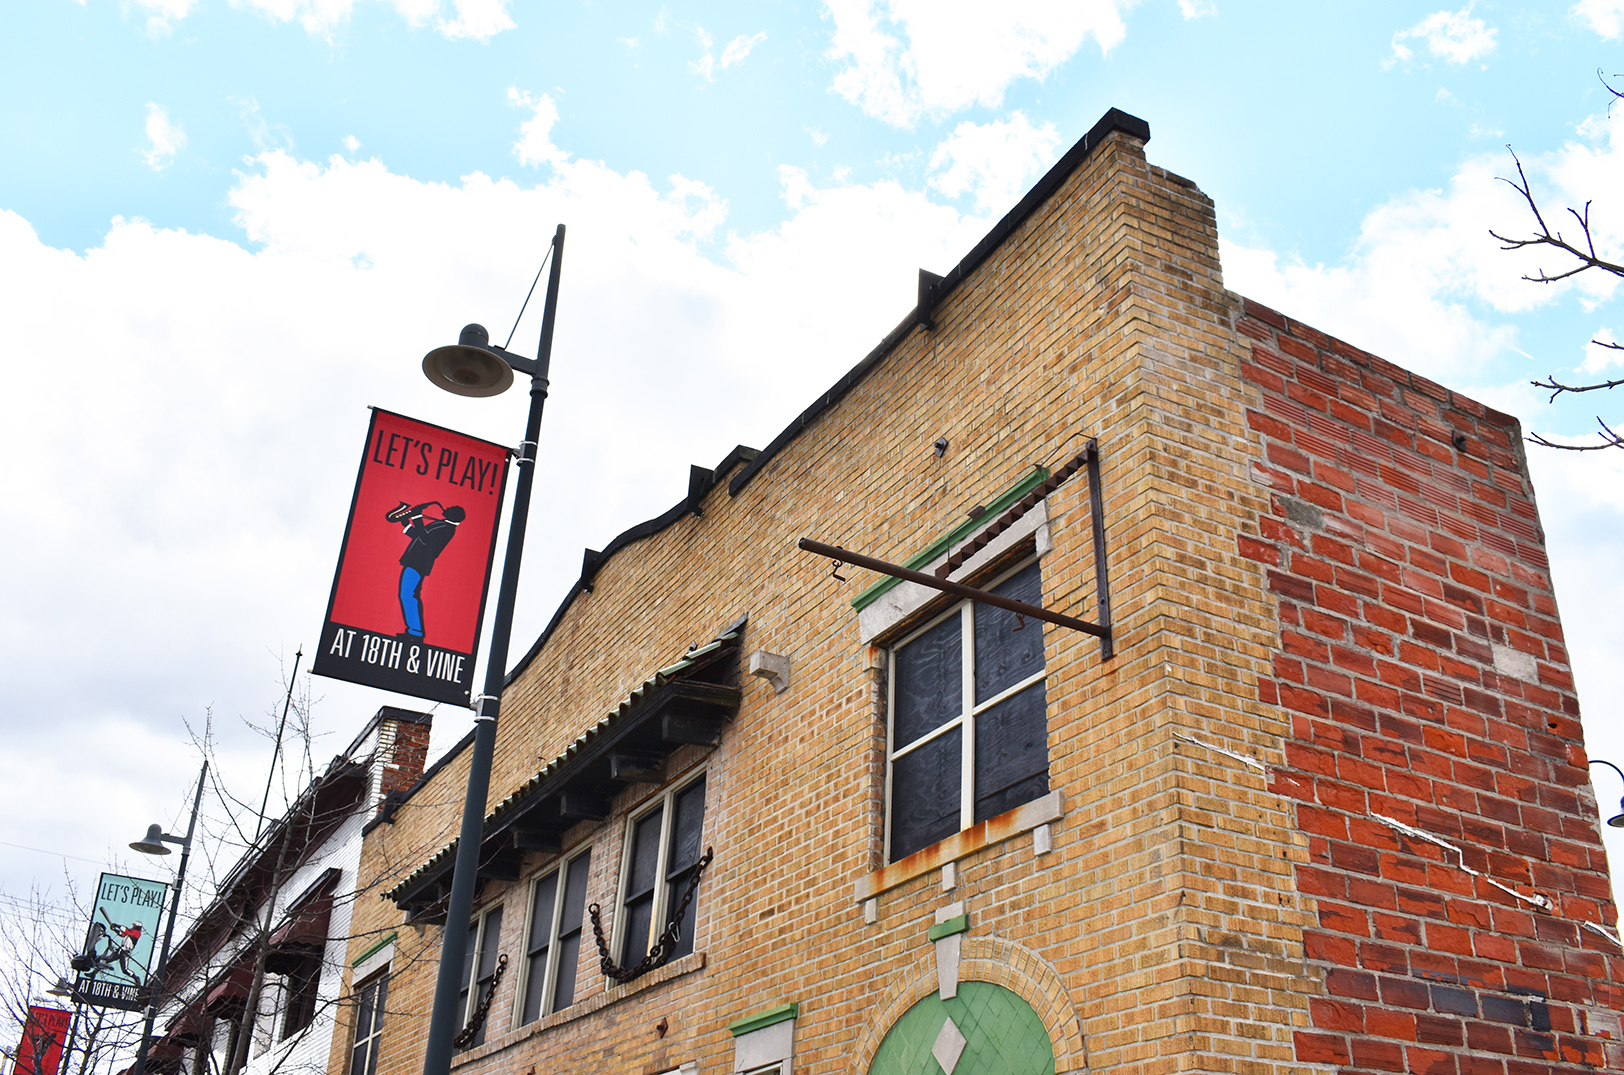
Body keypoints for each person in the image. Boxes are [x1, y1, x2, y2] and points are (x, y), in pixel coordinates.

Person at [387, 502, 465, 640]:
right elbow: (419, 536)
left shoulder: (445, 528)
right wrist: (406, 524)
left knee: (407, 595)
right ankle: (415, 631)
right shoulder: (443, 525)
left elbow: (423, 539)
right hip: (416, 563)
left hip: (418, 564)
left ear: (454, 516)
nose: (446, 507)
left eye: (450, 508)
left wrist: (417, 516)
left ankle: (415, 632)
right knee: (409, 594)